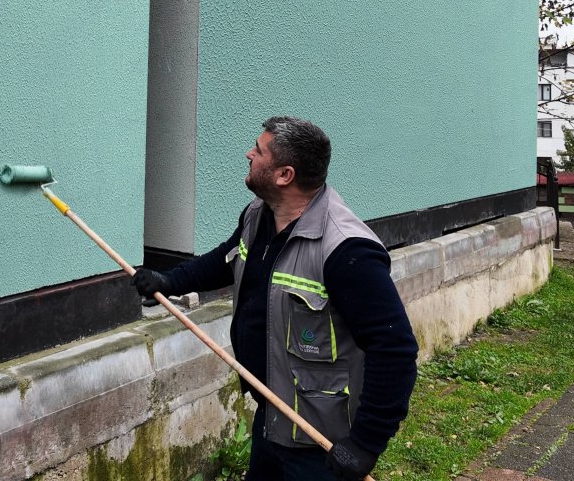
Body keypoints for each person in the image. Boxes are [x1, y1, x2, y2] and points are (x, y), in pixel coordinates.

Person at [132, 116, 418, 481]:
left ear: (285, 175)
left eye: (259, 150)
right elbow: (228, 257)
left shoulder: (347, 251)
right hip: (273, 415)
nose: (248, 153)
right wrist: (169, 280)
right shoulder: (259, 215)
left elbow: (394, 348)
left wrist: (366, 443)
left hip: (321, 442)